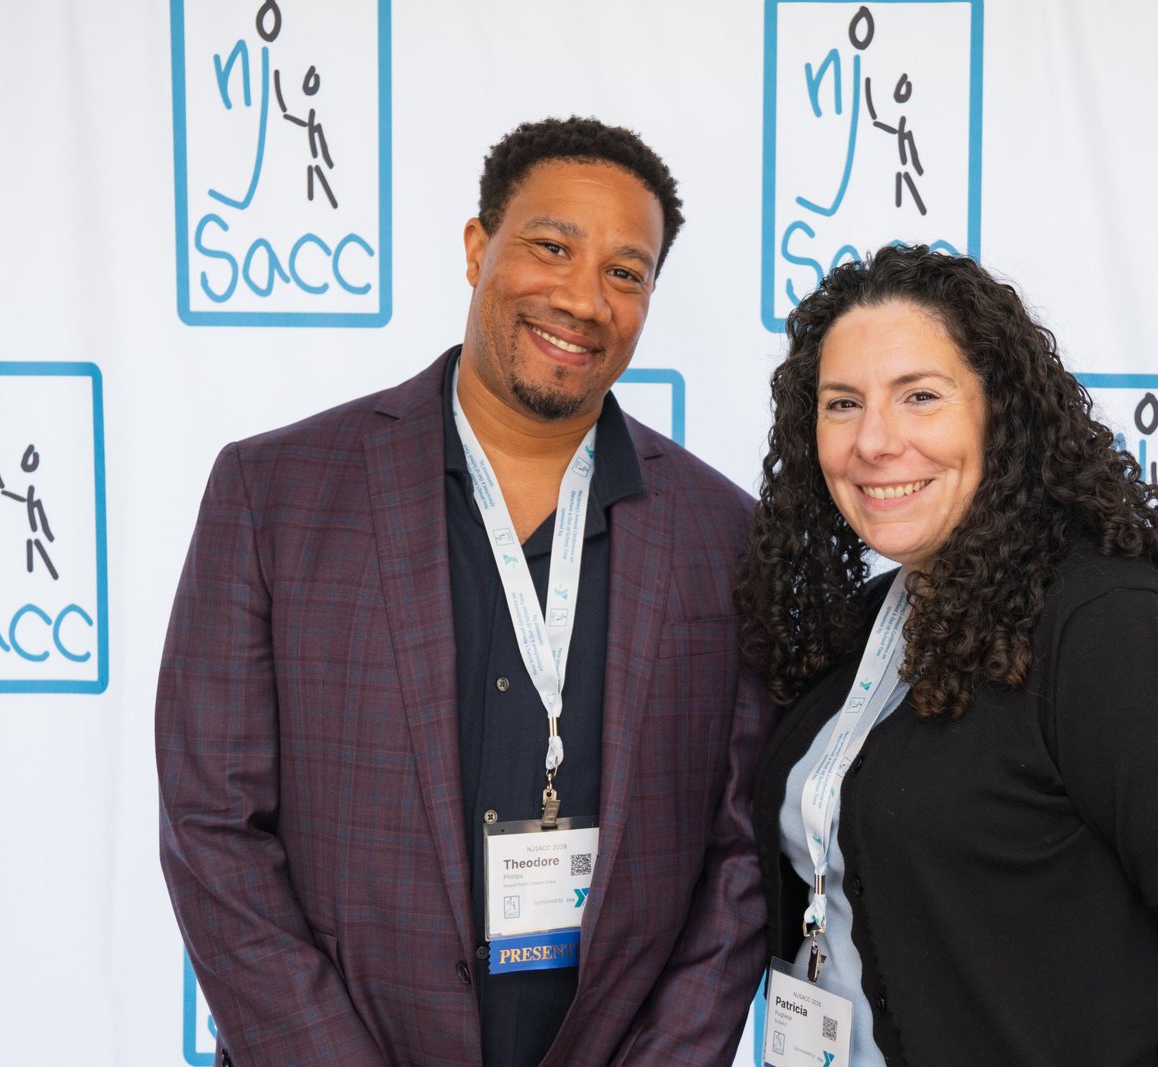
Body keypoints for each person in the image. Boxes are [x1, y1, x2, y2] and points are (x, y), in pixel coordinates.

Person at [156, 116, 768, 1067]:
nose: (582, 296)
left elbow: (739, 860)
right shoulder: (274, 492)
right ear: (479, 247)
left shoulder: (724, 533)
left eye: (625, 271)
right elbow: (212, 826)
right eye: (552, 246)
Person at [736, 245, 1158, 1065]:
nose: (874, 440)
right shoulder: (868, 624)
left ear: (1001, 412)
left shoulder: (1103, 627)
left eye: (920, 396)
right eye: (843, 403)